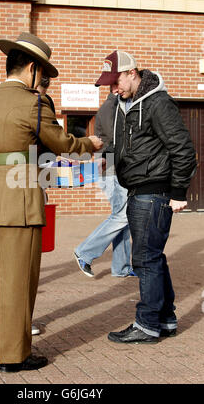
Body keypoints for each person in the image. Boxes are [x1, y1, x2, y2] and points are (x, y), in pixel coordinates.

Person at [0, 32, 103, 373]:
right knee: (18, 281)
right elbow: (61, 143)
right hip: (20, 203)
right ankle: (15, 356)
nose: (42, 80)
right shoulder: (33, 103)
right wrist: (91, 143)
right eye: (42, 73)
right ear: (31, 69)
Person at [95, 50, 196, 344]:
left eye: (116, 82)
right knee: (153, 257)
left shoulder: (157, 103)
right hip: (138, 189)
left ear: (131, 72)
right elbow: (129, 146)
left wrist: (178, 193)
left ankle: (147, 324)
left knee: (144, 259)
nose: (113, 88)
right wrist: (108, 161)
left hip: (154, 192)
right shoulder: (125, 105)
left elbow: (183, 149)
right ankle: (164, 319)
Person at [74, 92, 134, 278]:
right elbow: (116, 142)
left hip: (113, 169)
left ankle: (121, 267)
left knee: (122, 219)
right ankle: (84, 252)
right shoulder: (113, 108)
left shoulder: (113, 107)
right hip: (112, 170)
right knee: (122, 216)